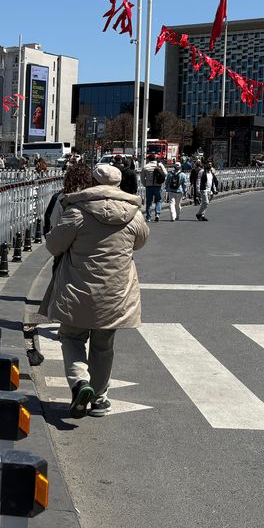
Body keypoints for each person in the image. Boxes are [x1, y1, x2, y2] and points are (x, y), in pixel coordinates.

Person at [41, 162, 149, 418]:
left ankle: (80, 382)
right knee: (103, 345)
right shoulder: (134, 213)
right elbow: (141, 241)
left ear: (92, 182)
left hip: (78, 289)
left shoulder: (77, 210)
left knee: (72, 337)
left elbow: (54, 246)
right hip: (115, 293)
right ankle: (100, 399)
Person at [142, 154, 166, 222]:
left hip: (149, 186)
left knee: (149, 201)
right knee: (158, 200)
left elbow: (142, 178)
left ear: (148, 159)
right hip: (158, 185)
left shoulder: (145, 167)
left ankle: (148, 217)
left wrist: (145, 184)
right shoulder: (159, 165)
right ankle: (157, 214)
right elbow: (165, 173)